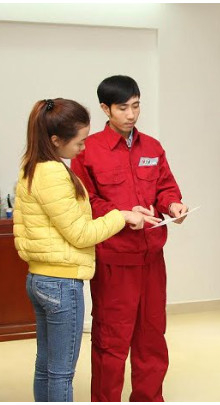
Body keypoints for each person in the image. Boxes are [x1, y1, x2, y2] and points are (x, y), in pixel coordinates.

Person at [13, 98, 156, 402]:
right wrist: (122, 216)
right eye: (79, 142)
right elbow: (80, 234)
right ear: (56, 140)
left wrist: (123, 211)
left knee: (46, 366)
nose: (83, 147)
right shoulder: (54, 174)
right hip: (61, 284)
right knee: (61, 373)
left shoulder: (32, 168)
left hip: (40, 278)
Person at [71, 75, 188, 401]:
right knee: (111, 341)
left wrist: (173, 205)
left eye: (136, 106)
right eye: (123, 108)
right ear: (105, 108)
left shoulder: (152, 147)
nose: (131, 114)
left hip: (152, 260)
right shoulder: (88, 151)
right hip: (114, 261)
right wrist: (122, 214)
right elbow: (86, 202)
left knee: (152, 337)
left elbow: (165, 187)